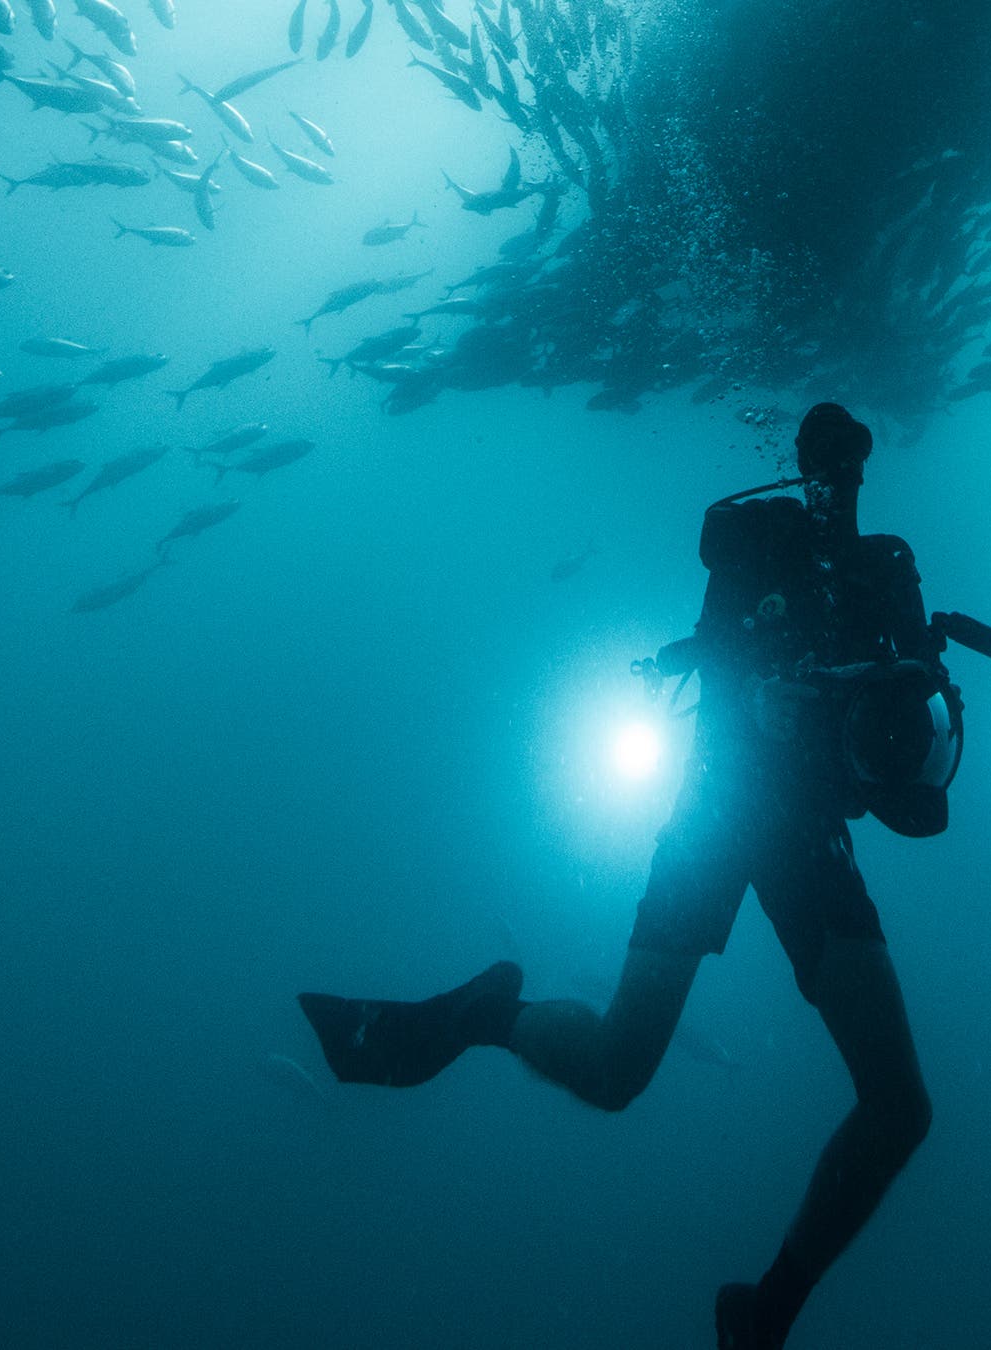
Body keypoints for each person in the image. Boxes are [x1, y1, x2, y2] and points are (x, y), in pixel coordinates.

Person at [300, 402, 956, 1349]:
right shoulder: (754, 544)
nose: (834, 485)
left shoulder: (886, 568)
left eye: (849, 468)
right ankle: (483, 1015)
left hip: (811, 834)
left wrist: (930, 730)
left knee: (901, 1108)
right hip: (720, 812)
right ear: (797, 467)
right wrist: (759, 693)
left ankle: (766, 1310)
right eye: (821, 466)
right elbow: (716, 655)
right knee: (616, 1070)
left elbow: (916, 757)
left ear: (863, 473)